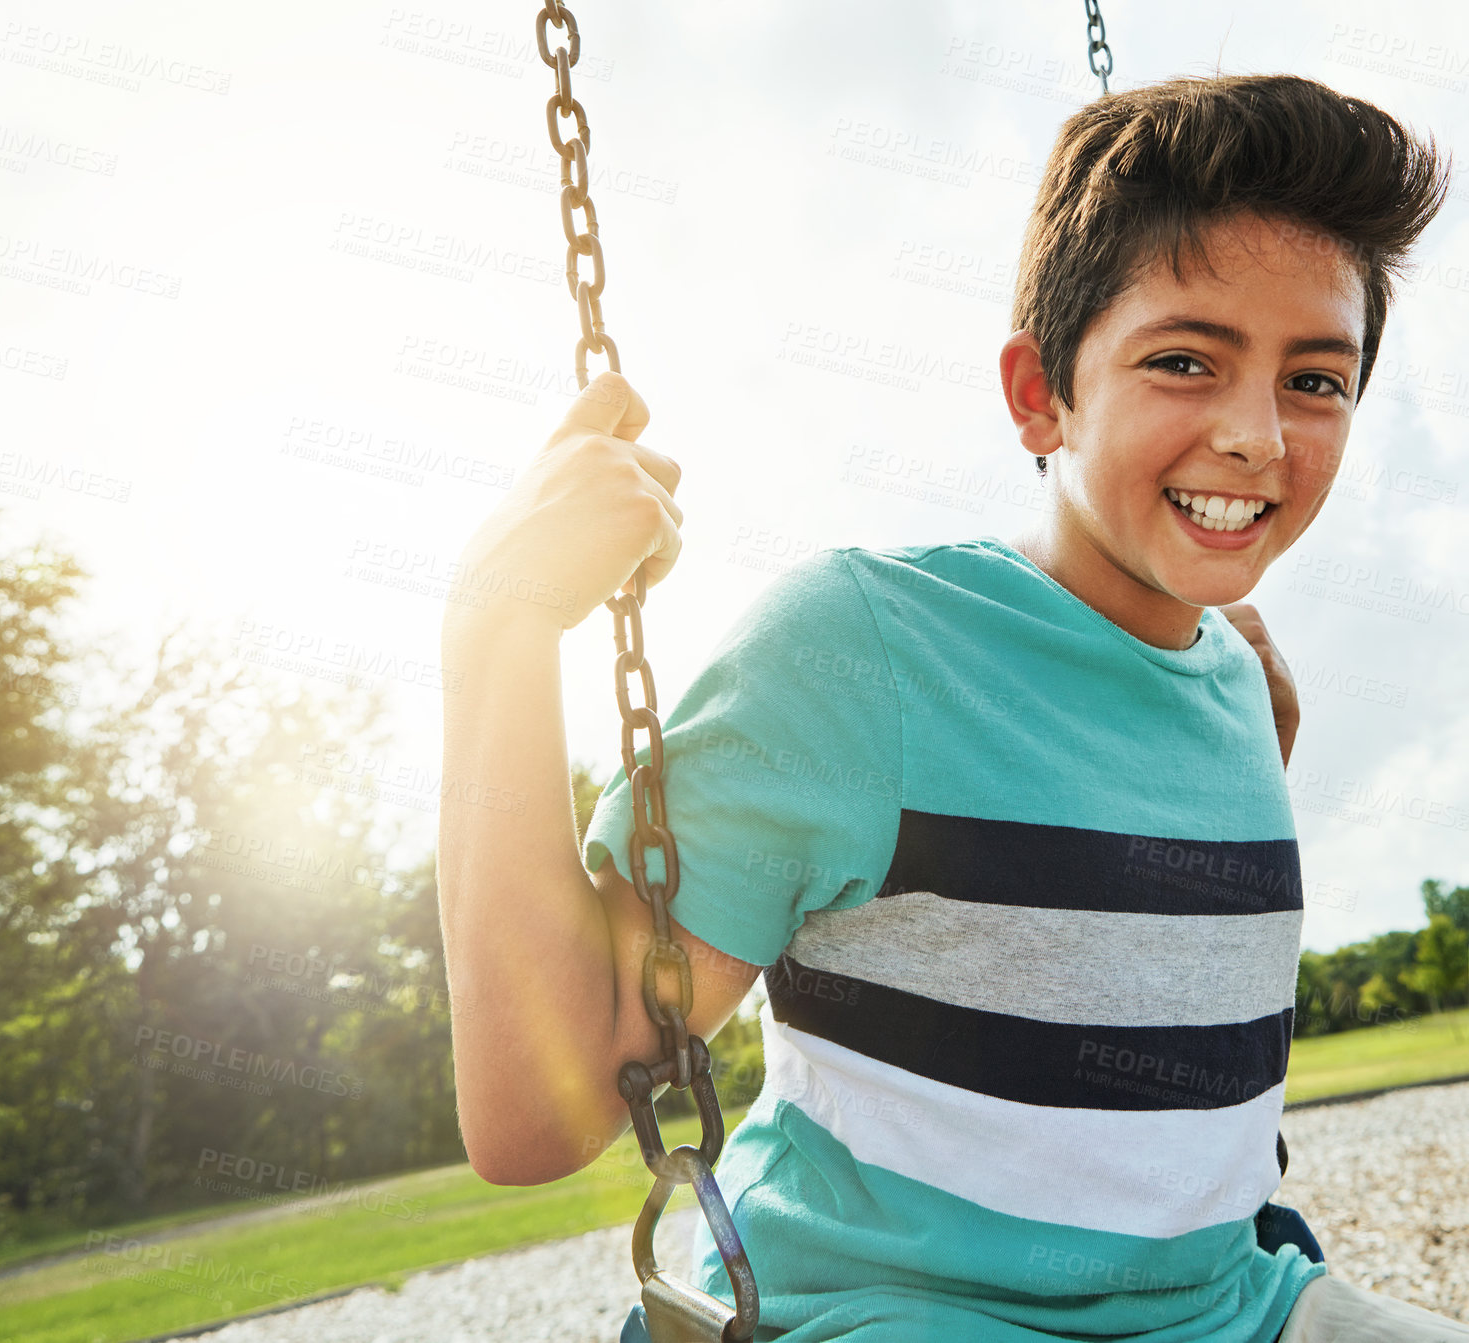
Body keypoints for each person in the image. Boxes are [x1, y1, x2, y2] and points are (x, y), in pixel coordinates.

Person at [437, 73, 1462, 1341]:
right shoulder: (862, 650)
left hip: (1229, 1305)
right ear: (1040, 393)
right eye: (1183, 359)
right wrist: (499, 622)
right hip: (899, 1314)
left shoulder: (1244, 683)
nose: (1258, 435)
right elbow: (535, 1116)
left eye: (1316, 380)